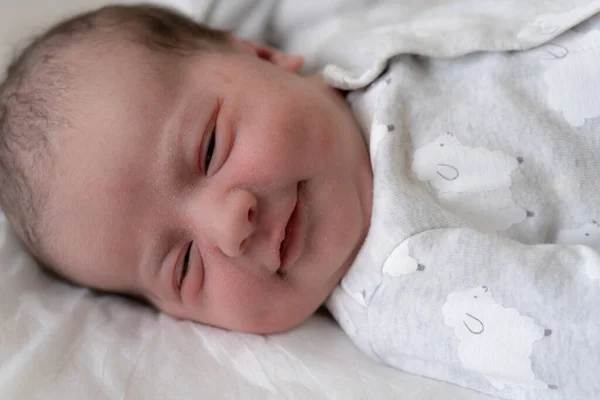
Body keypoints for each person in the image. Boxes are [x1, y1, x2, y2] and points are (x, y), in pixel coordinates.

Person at [1, 3, 598, 399]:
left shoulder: (326, 40)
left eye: (210, 149)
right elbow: (573, 334)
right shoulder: (408, 289)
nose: (229, 226)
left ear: (259, 55)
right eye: (183, 265)